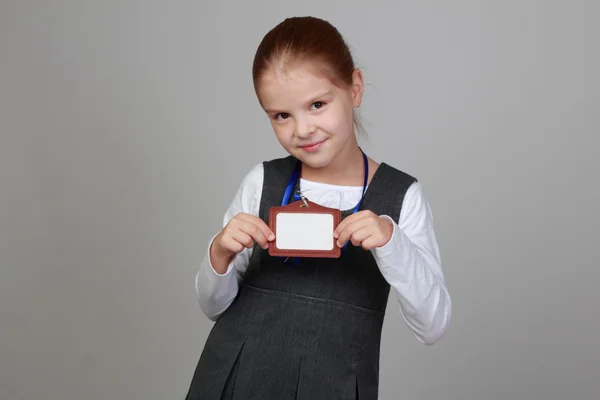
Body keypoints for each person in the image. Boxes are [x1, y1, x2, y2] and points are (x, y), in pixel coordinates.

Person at [185, 16, 451, 400]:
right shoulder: (261, 182)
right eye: (282, 115)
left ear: (354, 88)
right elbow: (213, 306)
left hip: (336, 385)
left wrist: (391, 242)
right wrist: (220, 252)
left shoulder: (402, 196)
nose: (303, 129)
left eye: (317, 104)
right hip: (238, 379)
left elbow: (433, 325)